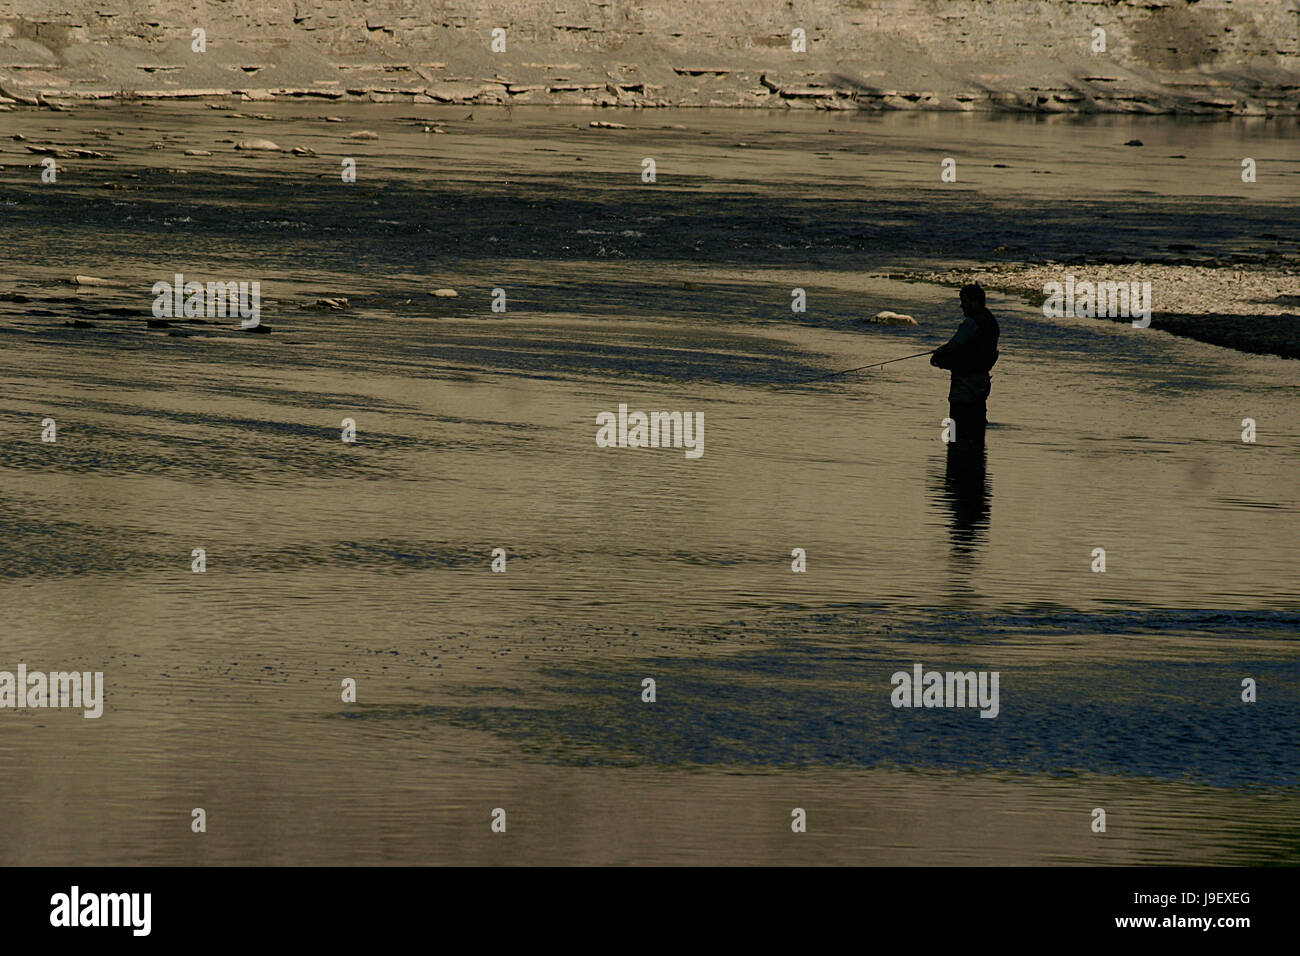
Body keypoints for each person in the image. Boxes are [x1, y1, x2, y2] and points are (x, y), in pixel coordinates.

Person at [930, 283, 1000, 442]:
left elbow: (952, 346)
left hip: (965, 383)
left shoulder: (970, 323)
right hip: (982, 382)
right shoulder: (991, 321)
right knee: (976, 425)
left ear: (975, 302)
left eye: (965, 302)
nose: (962, 306)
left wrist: (937, 355)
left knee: (958, 427)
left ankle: (957, 460)